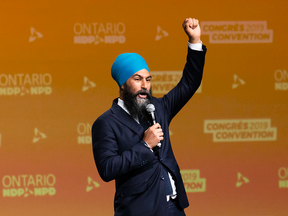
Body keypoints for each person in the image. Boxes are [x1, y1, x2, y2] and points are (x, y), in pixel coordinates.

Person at [92, 17, 207, 216]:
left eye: (148, 79)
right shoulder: (106, 123)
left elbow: (189, 83)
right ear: (122, 84)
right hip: (139, 211)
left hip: (173, 208)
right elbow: (107, 169)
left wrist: (195, 41)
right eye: (137, 79)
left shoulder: (158, 108)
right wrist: (145, 146)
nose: (145, 85)